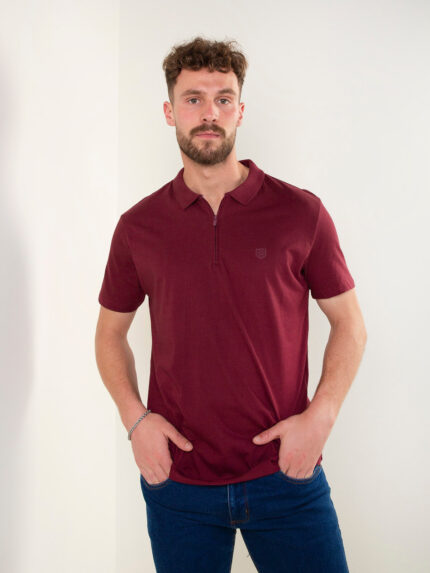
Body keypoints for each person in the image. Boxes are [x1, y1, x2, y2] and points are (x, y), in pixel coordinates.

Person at [95, 35, 367, 573]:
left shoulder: (301, 213)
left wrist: (321, 417)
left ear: (240, 111)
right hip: (179, 484)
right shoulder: (138, 227)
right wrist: (135, 421)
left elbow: (349, 325)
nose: (209, 113)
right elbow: (109, 334)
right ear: (169, 111)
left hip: (285, 474)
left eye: (223, 99)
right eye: (193, 99)